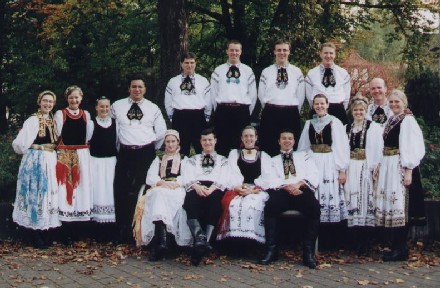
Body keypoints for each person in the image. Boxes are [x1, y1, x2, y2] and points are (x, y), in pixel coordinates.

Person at [111, 73, 167, 244]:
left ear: (145, 89)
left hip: (145, 154)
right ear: (129, 88)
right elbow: (113, 130)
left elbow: (161, 132)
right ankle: (123, 230)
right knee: (122, 191)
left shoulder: (153, 108)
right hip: (125, 154)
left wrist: (150, 148)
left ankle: (143, 231)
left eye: (140, 87)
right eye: (134, 86)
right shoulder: (117, 106)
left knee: (143, 191)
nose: (137, 89)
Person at [258, 129, 320, 269]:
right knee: (270, 207)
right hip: (282, 189)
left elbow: (313, 173)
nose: (287, 141)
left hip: (301, 188)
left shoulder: (304, 156)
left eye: (290, 138)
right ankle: (271, 250)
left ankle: (308, 253)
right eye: (284, 138)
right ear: (279, 141)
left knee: (314, 208)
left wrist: (298, 184)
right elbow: (269, 178)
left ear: (294, 141)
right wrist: (287, 186)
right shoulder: (272, 160)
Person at [375, 90, 425, 261]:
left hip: (401, 167)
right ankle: (395, 246)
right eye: (392, 102)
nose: (394, 104)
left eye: (398, 102)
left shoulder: (408, 121)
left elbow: (413, 146)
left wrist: (409, 170)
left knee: (402, 208)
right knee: (393, 206)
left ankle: (401, 248)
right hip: (390, 164)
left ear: (404, 102)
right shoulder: (392, 119)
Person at [12, 91, 61, 248]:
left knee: (48, 194)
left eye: (50, 102)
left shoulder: (54, 121)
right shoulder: (33, 120)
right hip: (35, 159)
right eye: (45, 101)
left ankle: (46, 229)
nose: (47, 104)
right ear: (39, 102)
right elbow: (20, 144)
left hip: (50, 158)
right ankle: (34, 232)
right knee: (36, 192)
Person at [138, 130, 192, 261]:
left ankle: (160, 242)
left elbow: (187, 176)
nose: (170, 144)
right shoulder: (159, 158)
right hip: (160, 187)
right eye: (168, 141)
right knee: (157, 194)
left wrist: (176, 183)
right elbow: (150, 176)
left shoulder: (184, 159)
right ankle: (160, 240)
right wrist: (160, 182)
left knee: (160, 195)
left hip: (176, 189)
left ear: (178, 142)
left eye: (173, 141)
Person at [298, 94, 350, 223]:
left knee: (327, 192)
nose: (319, 106)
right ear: (313, 106)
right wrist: (302, 165)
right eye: (317, 104)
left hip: (329, 162)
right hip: (313, 161)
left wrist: (342, 169)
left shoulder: (334, 122)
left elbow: (340, 146)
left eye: (322, 103)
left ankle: (329, 231)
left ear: (327, 105)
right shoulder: (309, 123)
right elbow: (303, 146)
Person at [182, 128, 229, 265]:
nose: (207, 142)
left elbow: (225, 177)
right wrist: (197, 187)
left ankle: (204, 243)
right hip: (197, 186)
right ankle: (200, 240)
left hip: (215, 187)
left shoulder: (223, 160)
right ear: (200, 142)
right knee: (190, 202)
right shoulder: (193, 159)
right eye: (204, 140)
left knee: (215, 204)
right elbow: (187, 176)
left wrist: (212, 189)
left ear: (215, 141)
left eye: (210, 140)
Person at [217, 126, 271, 244]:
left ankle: (252, 241)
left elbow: (267, 177)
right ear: (241, 138)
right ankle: (235, 241)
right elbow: (231, 172)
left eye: (251, 136)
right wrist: (238, 187)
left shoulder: (264, 156)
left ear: (256, 138)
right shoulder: (234, 154)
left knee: (253, 204)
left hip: (257, 190)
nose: (248, 138)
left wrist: (253, 190)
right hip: (238, 188)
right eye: (245, 136)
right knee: (234, 205)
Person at [344, 96, 383, 256]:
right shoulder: (347, 128)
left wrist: (374, 168)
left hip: (366, 166)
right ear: (351, 112)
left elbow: (377, 148)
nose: (358, 112)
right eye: (356, 110)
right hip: (351, 166)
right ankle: (354, 240)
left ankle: (366, 242)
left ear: (366, 111)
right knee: (352, 199)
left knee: (366, 201)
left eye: (361, 110)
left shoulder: (373, 128)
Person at [210, 40, 257, 156]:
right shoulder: (218, 70)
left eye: (237, 50)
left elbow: (253, 94)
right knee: (221, 144)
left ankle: (241, 170)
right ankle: (221, 170)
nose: (234, 53)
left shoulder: (247, 70)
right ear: (227, 51)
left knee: (241, 144)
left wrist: (246, 110)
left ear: (241, 52)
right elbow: (213, 93)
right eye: (231, 50)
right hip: (223, 111)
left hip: (242, 111)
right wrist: (219, 110)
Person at [258, 40, 305, 156]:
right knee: (268, 145)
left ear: (289, 52)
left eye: (285, 50)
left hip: (290, 113)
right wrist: (270, 107)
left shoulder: (297, 72)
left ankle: (290, 172)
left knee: (289, 146)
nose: (282, 53)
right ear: (274, 52)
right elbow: (261, 94)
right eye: (279, 50)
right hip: (270, 113)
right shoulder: (266, 71)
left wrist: (293, 109)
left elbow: (301, 95)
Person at [55, 86, 93, 223]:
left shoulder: (86, 115)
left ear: (81, 98)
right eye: (71, 97)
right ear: (67, 98)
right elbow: (57, 135)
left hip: (82, 155)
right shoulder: (61, 114)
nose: (74, 100)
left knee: (81, 186)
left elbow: (88, 137)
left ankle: (80, 222)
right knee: (64, 187)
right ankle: (65, 221)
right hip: (65, 155)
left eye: (76, 97)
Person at [164, 52, 211, 156]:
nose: (189, 65)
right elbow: (168, 102)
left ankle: (202, 171)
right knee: (181, 151)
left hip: (198, 118)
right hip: (180, 118)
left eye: (192, 62)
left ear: (195, 63)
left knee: (201, 149)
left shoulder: (203, 81)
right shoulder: (173, 82)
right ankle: (179, 171)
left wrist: (206, 118)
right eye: (186, 63)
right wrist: (173, 118)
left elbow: (209, 102)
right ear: (181, 64)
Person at [305, 42, 351, 124]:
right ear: (320, 54)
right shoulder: (311, 74)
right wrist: (318, 108)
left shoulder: (343, 73)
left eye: (331, 53)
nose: (328, 56)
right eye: (325, 53)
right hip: (318, 110)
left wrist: (341, 108)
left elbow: (346, 96)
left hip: (338, 111)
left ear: (335, 55)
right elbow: (309, 96)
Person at [89, 96, 117, 224]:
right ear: (96, 108)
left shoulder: (116, 123)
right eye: (101, 106)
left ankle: (110, 225)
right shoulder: (91, 123)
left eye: (107, 106)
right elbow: (86, 143)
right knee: (98, 190)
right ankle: (97, 224)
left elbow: (118, 143)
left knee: (110, 191)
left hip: (111, 162)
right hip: (96, 162)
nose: (104, 109)